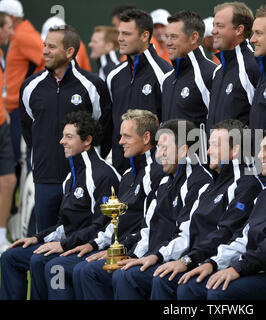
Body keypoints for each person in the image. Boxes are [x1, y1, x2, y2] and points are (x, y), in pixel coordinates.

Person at [113, 119, 263, 300]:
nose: (208, 152)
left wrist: (187, 260)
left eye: (214, 146)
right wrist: (152, 256)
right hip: (193, 259)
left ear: (236, 150)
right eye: (208, 146)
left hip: (214, 263)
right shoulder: (209, 187)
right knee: (124, 273)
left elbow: (227, 233)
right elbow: (185, 231)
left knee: (163, 281)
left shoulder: (246, 185)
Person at [78, 119, 213, 299]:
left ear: (183, 150)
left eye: (166, 148)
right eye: (159, 148)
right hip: (153, 256)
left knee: (125, 275)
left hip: (176, 261)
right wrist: (132, 255)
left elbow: (187, 235)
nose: (160, 154)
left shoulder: (200, 182)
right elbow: (147, 229)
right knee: (87, 269)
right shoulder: (164, 182)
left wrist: (155, 256)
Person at [42, 109, 165, 300]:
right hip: (111, 246)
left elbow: (150, 226)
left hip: (139, 252)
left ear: (147, 137)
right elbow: (112, 224)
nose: (120, 142)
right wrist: (93, 244)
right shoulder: (127, 176)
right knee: (48, 263)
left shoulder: (157, 173)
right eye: (120, 136)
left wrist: (122, 252)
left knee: (75, 269)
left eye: (126, 136)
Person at [178, 125, 266, 300]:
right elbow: (244, 238)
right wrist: (214, 263)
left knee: (220, 293)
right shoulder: (265, 193)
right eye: (261, 149)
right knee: (191, 286)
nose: (261, 155)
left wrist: (239, 268)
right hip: (256, 271)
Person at [0, 111, 120, 300]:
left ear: (87, 140)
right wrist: (37, 238)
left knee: (49, 264)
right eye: (63, 136)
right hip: (68, 243)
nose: (62, 141)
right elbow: (63, 225)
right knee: (11, 256)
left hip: (88, 247)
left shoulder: (103, 174)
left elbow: (102, 227)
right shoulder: (71, 177)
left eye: (69, 137)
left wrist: (64, 245)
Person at [20, 25, 112, 233]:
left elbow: (102, 129)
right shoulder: (30, 86)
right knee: (44, 241)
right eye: (45, 46)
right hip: (46, 178)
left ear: (69, 52)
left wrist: (88, 165)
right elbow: (29, 129)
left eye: (51, 47)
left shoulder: (92, 85)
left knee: (80, 240)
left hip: (82, 178)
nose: (44, 51)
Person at [106, 8, 172, 175]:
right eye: (119, 33)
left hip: (154, 170)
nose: (120, 38)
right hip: (120, 169)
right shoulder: (114, 76)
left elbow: (170, 123)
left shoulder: (164, 73)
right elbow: (109, 124)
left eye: (127, 34)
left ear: (144, 36)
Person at [0, 0, 44, 218]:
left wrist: (33, 89)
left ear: (10, 17)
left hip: (17, 110)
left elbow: (49, 58)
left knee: (12, 167)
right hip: (9, 110)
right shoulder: (17, 36)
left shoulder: (23, 35)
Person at [205, 1, 260, 135]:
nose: (213, 31)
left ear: (239, 30)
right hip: (214, 154)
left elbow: (260, 122)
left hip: (244, 154)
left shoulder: (252, 66)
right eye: (213, 25)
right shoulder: (218, 71)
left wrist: (245, 154)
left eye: (220, 26)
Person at [161, 10, 217, 128]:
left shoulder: (211, 74)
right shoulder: (167, 79)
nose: (168, 43)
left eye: (174, 37)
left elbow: (218, 126)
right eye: (167, 37)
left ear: (193, 37)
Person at [0, 11, 15, 255]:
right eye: (8, 28)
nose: (12, 33)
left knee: (9, 180)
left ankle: (1, 236)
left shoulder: (1, 53)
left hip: (2, 124)